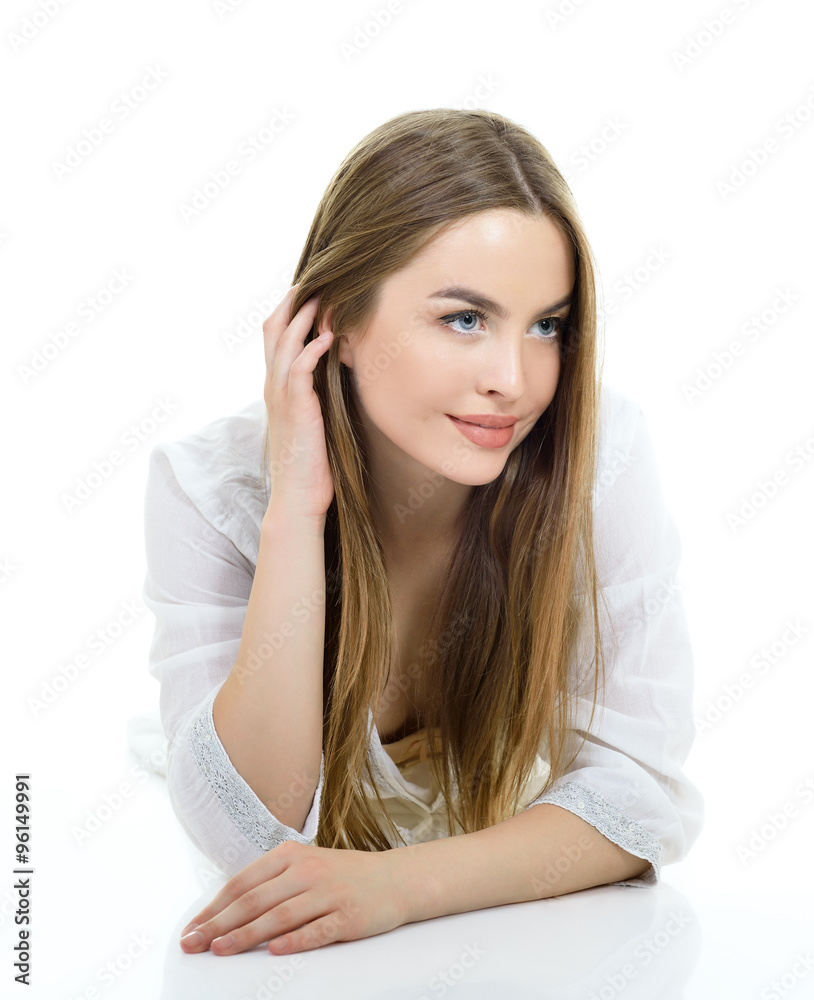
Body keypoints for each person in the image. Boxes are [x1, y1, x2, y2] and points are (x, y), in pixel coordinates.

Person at [141, 107, 704, 958]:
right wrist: (296, 506)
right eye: (464, 319)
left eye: (547, 325)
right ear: (336, 323)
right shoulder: (210, 488)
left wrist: (403, 887)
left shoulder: (597, 453)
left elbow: (638, 801)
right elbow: (249, 840)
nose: (513, 382)